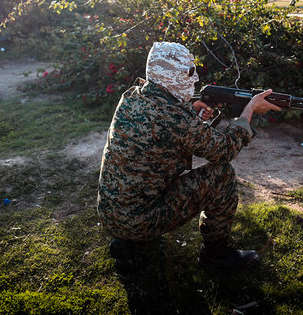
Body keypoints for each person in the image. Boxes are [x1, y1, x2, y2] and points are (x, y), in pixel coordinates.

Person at [97, 41, 281, 272]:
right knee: (221, 175)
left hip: (111, 212)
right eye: (189, 73)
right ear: (171, 76)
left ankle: (126, 242)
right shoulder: (175, 118)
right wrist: (249, 111)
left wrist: (191, 110)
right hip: (140, 220)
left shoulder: (133, 96)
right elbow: (223, 151)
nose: (194, 80)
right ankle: (216, 256)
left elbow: (165, 127)